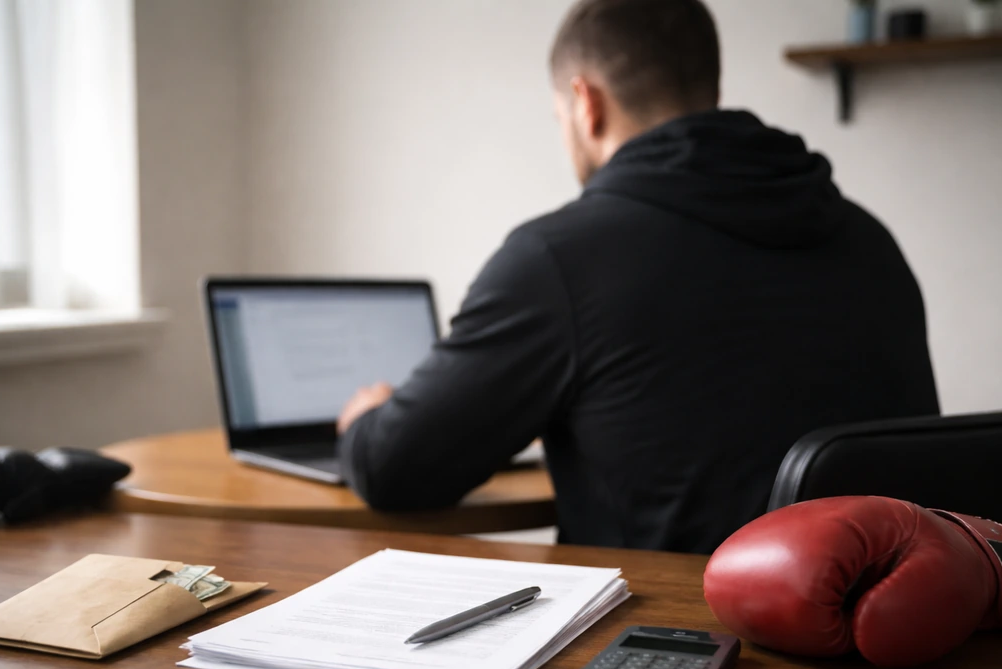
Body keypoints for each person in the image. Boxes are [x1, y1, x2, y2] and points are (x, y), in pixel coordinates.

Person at [336, 0, 939, 554]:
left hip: (663, 653)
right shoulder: (866, 236)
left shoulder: (560, 258)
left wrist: (366, 419)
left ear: (586, 102)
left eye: (558, 116)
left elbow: (395, 470)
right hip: (898, 647)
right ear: (708, 86)